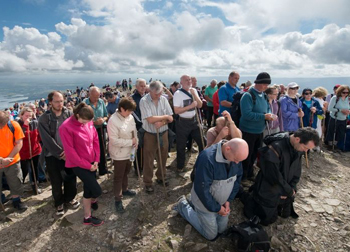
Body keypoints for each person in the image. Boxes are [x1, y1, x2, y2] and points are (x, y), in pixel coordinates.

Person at [241, 127, 320, 226]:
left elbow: (296, 170)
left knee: (285, 214)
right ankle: (244, 194)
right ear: (297, 139)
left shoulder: (298, 147)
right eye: (306, 148)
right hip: (269, 187)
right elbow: (273, 176)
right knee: (267, 219)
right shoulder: (275, 148)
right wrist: (288, 191)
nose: (305, 151)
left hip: (285, 186)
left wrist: (292, 187)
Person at [174, 138, 249, 240]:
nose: (237, 163)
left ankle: (192, 200)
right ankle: (182, 205)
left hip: (221, 202)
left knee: (222, 230)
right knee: (211, 235)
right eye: (236, 159)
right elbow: (202, 190)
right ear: (227, 149)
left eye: (239, 160)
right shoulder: (207, 158)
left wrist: (228, 200)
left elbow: (237, 180)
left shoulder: (236, 157)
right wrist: (217, 208)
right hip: (204, 203)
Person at [59, 103, 103, 226]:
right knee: (96, 190)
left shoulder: (87, 121)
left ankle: (87, 217)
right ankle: (92, 201)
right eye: (83, 121)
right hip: (78, 164)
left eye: (88, 121)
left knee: (88, 189)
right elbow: (70, 152)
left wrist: (96, 160)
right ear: (77, 115)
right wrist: (88, 166)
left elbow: (95, 140)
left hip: (91, 160)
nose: (85, 123)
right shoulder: (66, 127)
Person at [38, 91, 79, 215]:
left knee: (71, 178)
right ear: (50, 102)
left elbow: (75, 132)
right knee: (56, 180)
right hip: (53, 155)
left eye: (61, 101)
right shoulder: (44, 118)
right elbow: (46, 139)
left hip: (70, 153)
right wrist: (61, 153)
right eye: (56, 101)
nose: (60, 104)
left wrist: (70, 151)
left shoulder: (69, 113)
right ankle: (59, 202)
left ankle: (70, 198)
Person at [239, 72, 274, 181]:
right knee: (245, 156)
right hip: (248, 131)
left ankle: (249, 174)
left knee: (254, 154)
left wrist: (269, 114)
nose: (266, 87)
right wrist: (264, 116)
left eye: (267, 85)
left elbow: (267, 107)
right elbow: (246, 114)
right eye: (264, 84)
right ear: (258, 83)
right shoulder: (248, 96)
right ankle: (242, 177)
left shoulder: (263, 95)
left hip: (259, 130)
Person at [139, 81, 173, 193]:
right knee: (148, 159)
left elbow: (171, 118)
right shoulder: (144, 101)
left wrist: (163, 122)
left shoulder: (163, 99)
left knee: (163, 156)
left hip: (163, 133)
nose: (159, 96)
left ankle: (161, 177)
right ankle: (148, 182)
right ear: (151, 91)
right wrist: (165, 117)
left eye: (160, 93)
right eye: (156, 94)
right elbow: (150, 119)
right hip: (150, 135)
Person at [107, 97, 138, 212]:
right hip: (119, 152)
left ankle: (125, 189)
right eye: (129, 110)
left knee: (126, 171)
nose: (131, 113)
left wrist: (136, 142)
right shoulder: (113, 120)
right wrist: (131, 142)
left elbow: (134, 131)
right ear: (122, 109)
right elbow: (114, 140)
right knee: (118, 176)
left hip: (130, 151)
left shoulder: (129, 116)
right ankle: (118, 198)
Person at [173, 75, 204, 172]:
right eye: (186, 80)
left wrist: (194, 94)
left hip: (194, 121)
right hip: (183, 122)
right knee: (181, 145)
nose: (189, 81)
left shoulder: (193, 91)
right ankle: (180, 166)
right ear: (181, 83)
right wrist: (190, 106)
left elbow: (200, 105)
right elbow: (177, 111)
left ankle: (203, 163)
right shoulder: (178, 94)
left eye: (189, 79)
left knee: (203, 142)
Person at [0, 111, 27, 211]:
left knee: (15, 181)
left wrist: (9, 158)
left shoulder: (14, 125)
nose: (1, 127)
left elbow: (19, 143)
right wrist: (2, 160)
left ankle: (17, 200)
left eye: (2, 124)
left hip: (13, 160)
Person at [84, 87, 109, 176]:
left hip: (101, 129)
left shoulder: (101, 102)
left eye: (98, 96)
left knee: (102, 148)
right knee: (92, 151)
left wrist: (103, 119)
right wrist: (94, 122)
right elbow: (82, 120)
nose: (96, 98)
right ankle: (92, 171)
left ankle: (103, 169)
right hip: (89, 131)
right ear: (89, 94)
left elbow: (106, 115)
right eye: (94, 96)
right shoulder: (84, 104)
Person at [18, 107, 42, 194]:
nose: (28, 118)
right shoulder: (18, 125)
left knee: (35, 169)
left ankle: (35, 186)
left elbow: (38, 136)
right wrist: (25, 126)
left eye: (30, 116)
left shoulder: (35, 123)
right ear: (21, 115)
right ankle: (19, 188)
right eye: (26, 116)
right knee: (23, 171)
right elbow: (20, 137)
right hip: (24, 153)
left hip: (35, 151)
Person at [131, 78, 147, 175]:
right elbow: (134, 113)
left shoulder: (147, 96)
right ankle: (138, 168)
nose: (143, 88)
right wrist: (142, 123)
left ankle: (144, 165)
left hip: (147, 126)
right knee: (138, 147)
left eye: (144, 86)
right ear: (136, 87)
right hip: (138, 126)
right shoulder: (133, 98)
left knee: (146, 147)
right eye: (141, 86)